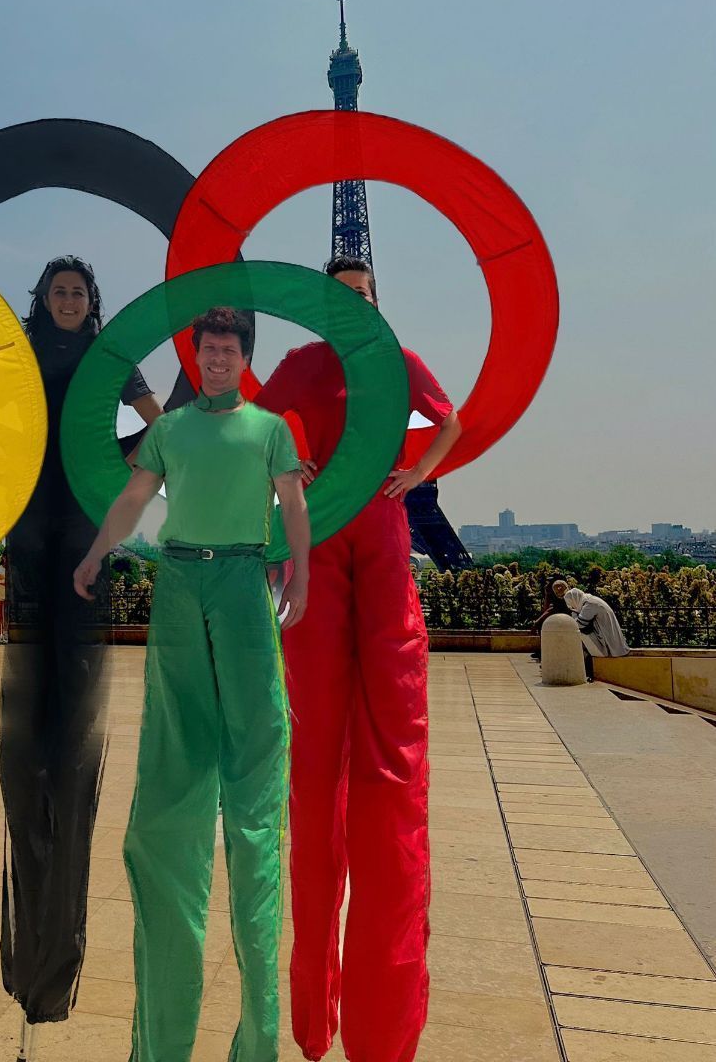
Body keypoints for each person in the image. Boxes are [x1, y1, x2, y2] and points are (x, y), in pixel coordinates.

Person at [74, 306, 310, 1061]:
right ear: (195, 355)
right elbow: (137, 499)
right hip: (180, 581)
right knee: (172, 772)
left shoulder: (271, 428)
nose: (216, 359)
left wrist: (299, 571)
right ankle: (161, 1043)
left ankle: (258, 1040)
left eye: (228, 349)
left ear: (244, 357)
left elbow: (294, 505)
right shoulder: (169, 430)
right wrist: (96, 552)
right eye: (207, 349)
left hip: (242, 577)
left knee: (255, 781)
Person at [253, 254, 462, 1062]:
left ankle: (380, 1028)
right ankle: (316, 1019)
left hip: (378, 529)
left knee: (391, 769)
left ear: (378, 304)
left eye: (364, 296)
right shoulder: (302, 365)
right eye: (340, 298)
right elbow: (257, 427)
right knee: (313, 760)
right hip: (323, 532)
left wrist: (415, 475)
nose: (353, 307)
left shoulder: (397, 362)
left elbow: (450, 422)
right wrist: (287, 476)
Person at [0, 255, 163, 1036]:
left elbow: (154, 418)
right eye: (59, 291)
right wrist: (14, 451)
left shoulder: (112, 355)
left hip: (83, 513)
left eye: (80, 291)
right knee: (33, 732)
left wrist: (109, 461)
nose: (70, 300)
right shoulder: (16, 350)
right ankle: (36, 953)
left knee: (71, 728)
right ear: (43, 300)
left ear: (92, 300)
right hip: (29, 516)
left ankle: (57, 958)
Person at [565, 587, 630, 676]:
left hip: (609, 644)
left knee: (579, 634)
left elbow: (579, 624)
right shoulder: (591, 600)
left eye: (571, 604)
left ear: (575, 599)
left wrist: (573, 613)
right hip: (609, 639)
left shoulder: (590, 604)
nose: (571, 607)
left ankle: (585, 671)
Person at [530, 577, 569, 661]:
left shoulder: (562, 597)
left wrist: (537, 622)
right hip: (558, 619)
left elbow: (551, 609)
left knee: (542, 625)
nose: (546, 586)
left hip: (562, 621)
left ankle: (546, 652)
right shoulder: (554, 596)